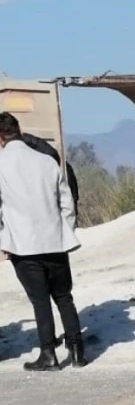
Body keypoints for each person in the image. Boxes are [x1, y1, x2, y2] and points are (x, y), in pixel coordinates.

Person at [0, 112, 85, 370]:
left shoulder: (1, 164)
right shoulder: (46, 161)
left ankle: (48, 353)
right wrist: (64, 230)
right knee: (64, 297)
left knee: (40, 301)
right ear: (18, 130)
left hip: (23, 245)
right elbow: (66, 202)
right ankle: (78, 351)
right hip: (55, 242)